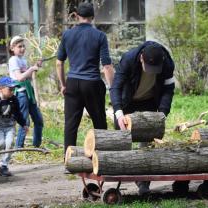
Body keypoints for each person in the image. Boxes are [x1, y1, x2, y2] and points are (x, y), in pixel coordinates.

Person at [110, 41, 175, 195]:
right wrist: (118, 112)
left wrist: (163, 112)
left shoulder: (167, 63)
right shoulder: (128, 59)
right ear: (141, 58)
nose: (152, 72)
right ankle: (120, 175)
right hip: (128, 102)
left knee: (148, 143)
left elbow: (168, 89)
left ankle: (143, 183)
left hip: (150, 101)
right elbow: (116, 87)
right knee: (122, 140)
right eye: (149, 68)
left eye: (155, 69)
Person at [56, 2, 114, 154]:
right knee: (100, 122)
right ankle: (102, 157)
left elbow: (59, 63)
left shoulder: (67, 35)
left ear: (76, 16)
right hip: (92, 83)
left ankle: (68, 161)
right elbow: (107, 66)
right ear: (93, 17)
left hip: (73, 83)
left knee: (70, 124)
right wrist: (113, 88)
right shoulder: (100, 36)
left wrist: (63, 85)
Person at [8, 35, 44, 148]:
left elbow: (27, 75)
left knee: (38, 120)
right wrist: (31, 69)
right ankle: (19, 148)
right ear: (12, 48)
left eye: (23, 46)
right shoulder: (13, 60)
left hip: (29, 92)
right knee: (25, 122)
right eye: (19, 46)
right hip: (21, 94)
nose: (22, 48)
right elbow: (19, 77)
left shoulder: (23, 60)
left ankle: (36, 146)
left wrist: (36, 66)